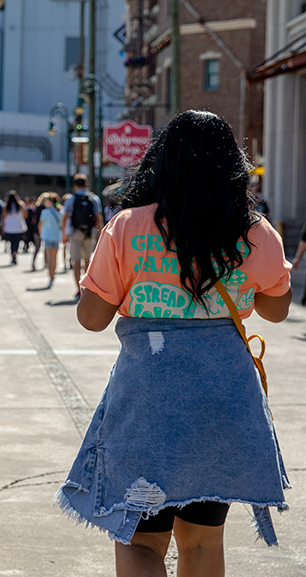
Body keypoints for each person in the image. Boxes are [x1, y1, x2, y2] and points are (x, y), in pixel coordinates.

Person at [56, 111, 292, 577]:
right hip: (224, 402)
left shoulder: (126, 226)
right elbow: (276, 309)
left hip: (149, 401)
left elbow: (92, 319)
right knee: (203, 543)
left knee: (142, 541)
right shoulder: (255, 232)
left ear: (160, 163)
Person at [61, 174, 103, 297]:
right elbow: (98, 217)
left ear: (75, 185)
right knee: (87, 260)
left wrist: (64, 233)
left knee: (76, 261)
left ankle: (78, 288)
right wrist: (100, 234)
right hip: (89, 232)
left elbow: (64, 216)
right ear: (86, 184)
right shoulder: (94, 198)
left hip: (75, 232)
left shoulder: (70, 199)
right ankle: (87, 287)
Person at [37, 192, 62, 288]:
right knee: (54, 258)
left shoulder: (45, 212)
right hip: (56, 236)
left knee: (48, 258)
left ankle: (50, 275)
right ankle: (53, 276)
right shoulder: (59, 211)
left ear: (51, 201)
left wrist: (40, 232)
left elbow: (40, 224)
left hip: (47, 237)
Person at [1, 190, 28, 266]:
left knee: (11, 243)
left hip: (9, 227)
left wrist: (2, 227)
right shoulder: (20, 204)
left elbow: (3, 217)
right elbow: (25, 215)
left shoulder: (6, 206)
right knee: (17, 242)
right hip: (19, 227)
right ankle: (15, 253)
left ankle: (12, 254)